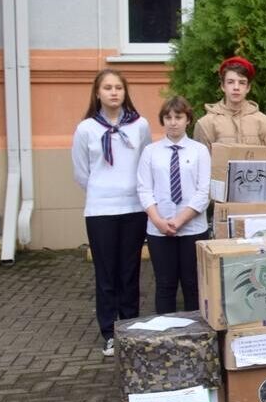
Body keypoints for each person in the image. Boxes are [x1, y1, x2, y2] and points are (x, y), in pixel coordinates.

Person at [72, 69, 151, 356]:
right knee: (106, 273)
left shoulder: (139, 125)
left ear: (125, 92)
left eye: (118, 87)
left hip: (133, 208)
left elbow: (145, 163)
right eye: (107, 87)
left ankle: (129, 326)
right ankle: (110, 332)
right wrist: (101, 190)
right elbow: (82, 172)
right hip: (101, 210)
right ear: (97, 93)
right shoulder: (86, 129)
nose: (114, 92)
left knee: (129, 271)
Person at [137, 96, 210, 315]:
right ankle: (166, 334)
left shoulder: (199, 151)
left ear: (188, 119)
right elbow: (144, 189)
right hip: (160, 230)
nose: (173, 122)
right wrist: (158, 221)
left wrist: (179, 220)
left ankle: (195, 335)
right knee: (165, 285)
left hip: (192, 228)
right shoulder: (151, 151)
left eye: (178, 117)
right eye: (168, 117)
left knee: (192, 285)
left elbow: (203, 191)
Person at [192, 56, 266, 147]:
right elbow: (202, 159)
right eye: (230, 82)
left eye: (242, 83)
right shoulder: (206, 123)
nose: (236, 87)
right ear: (223, 86)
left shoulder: (263, 122)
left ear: (248, 88)